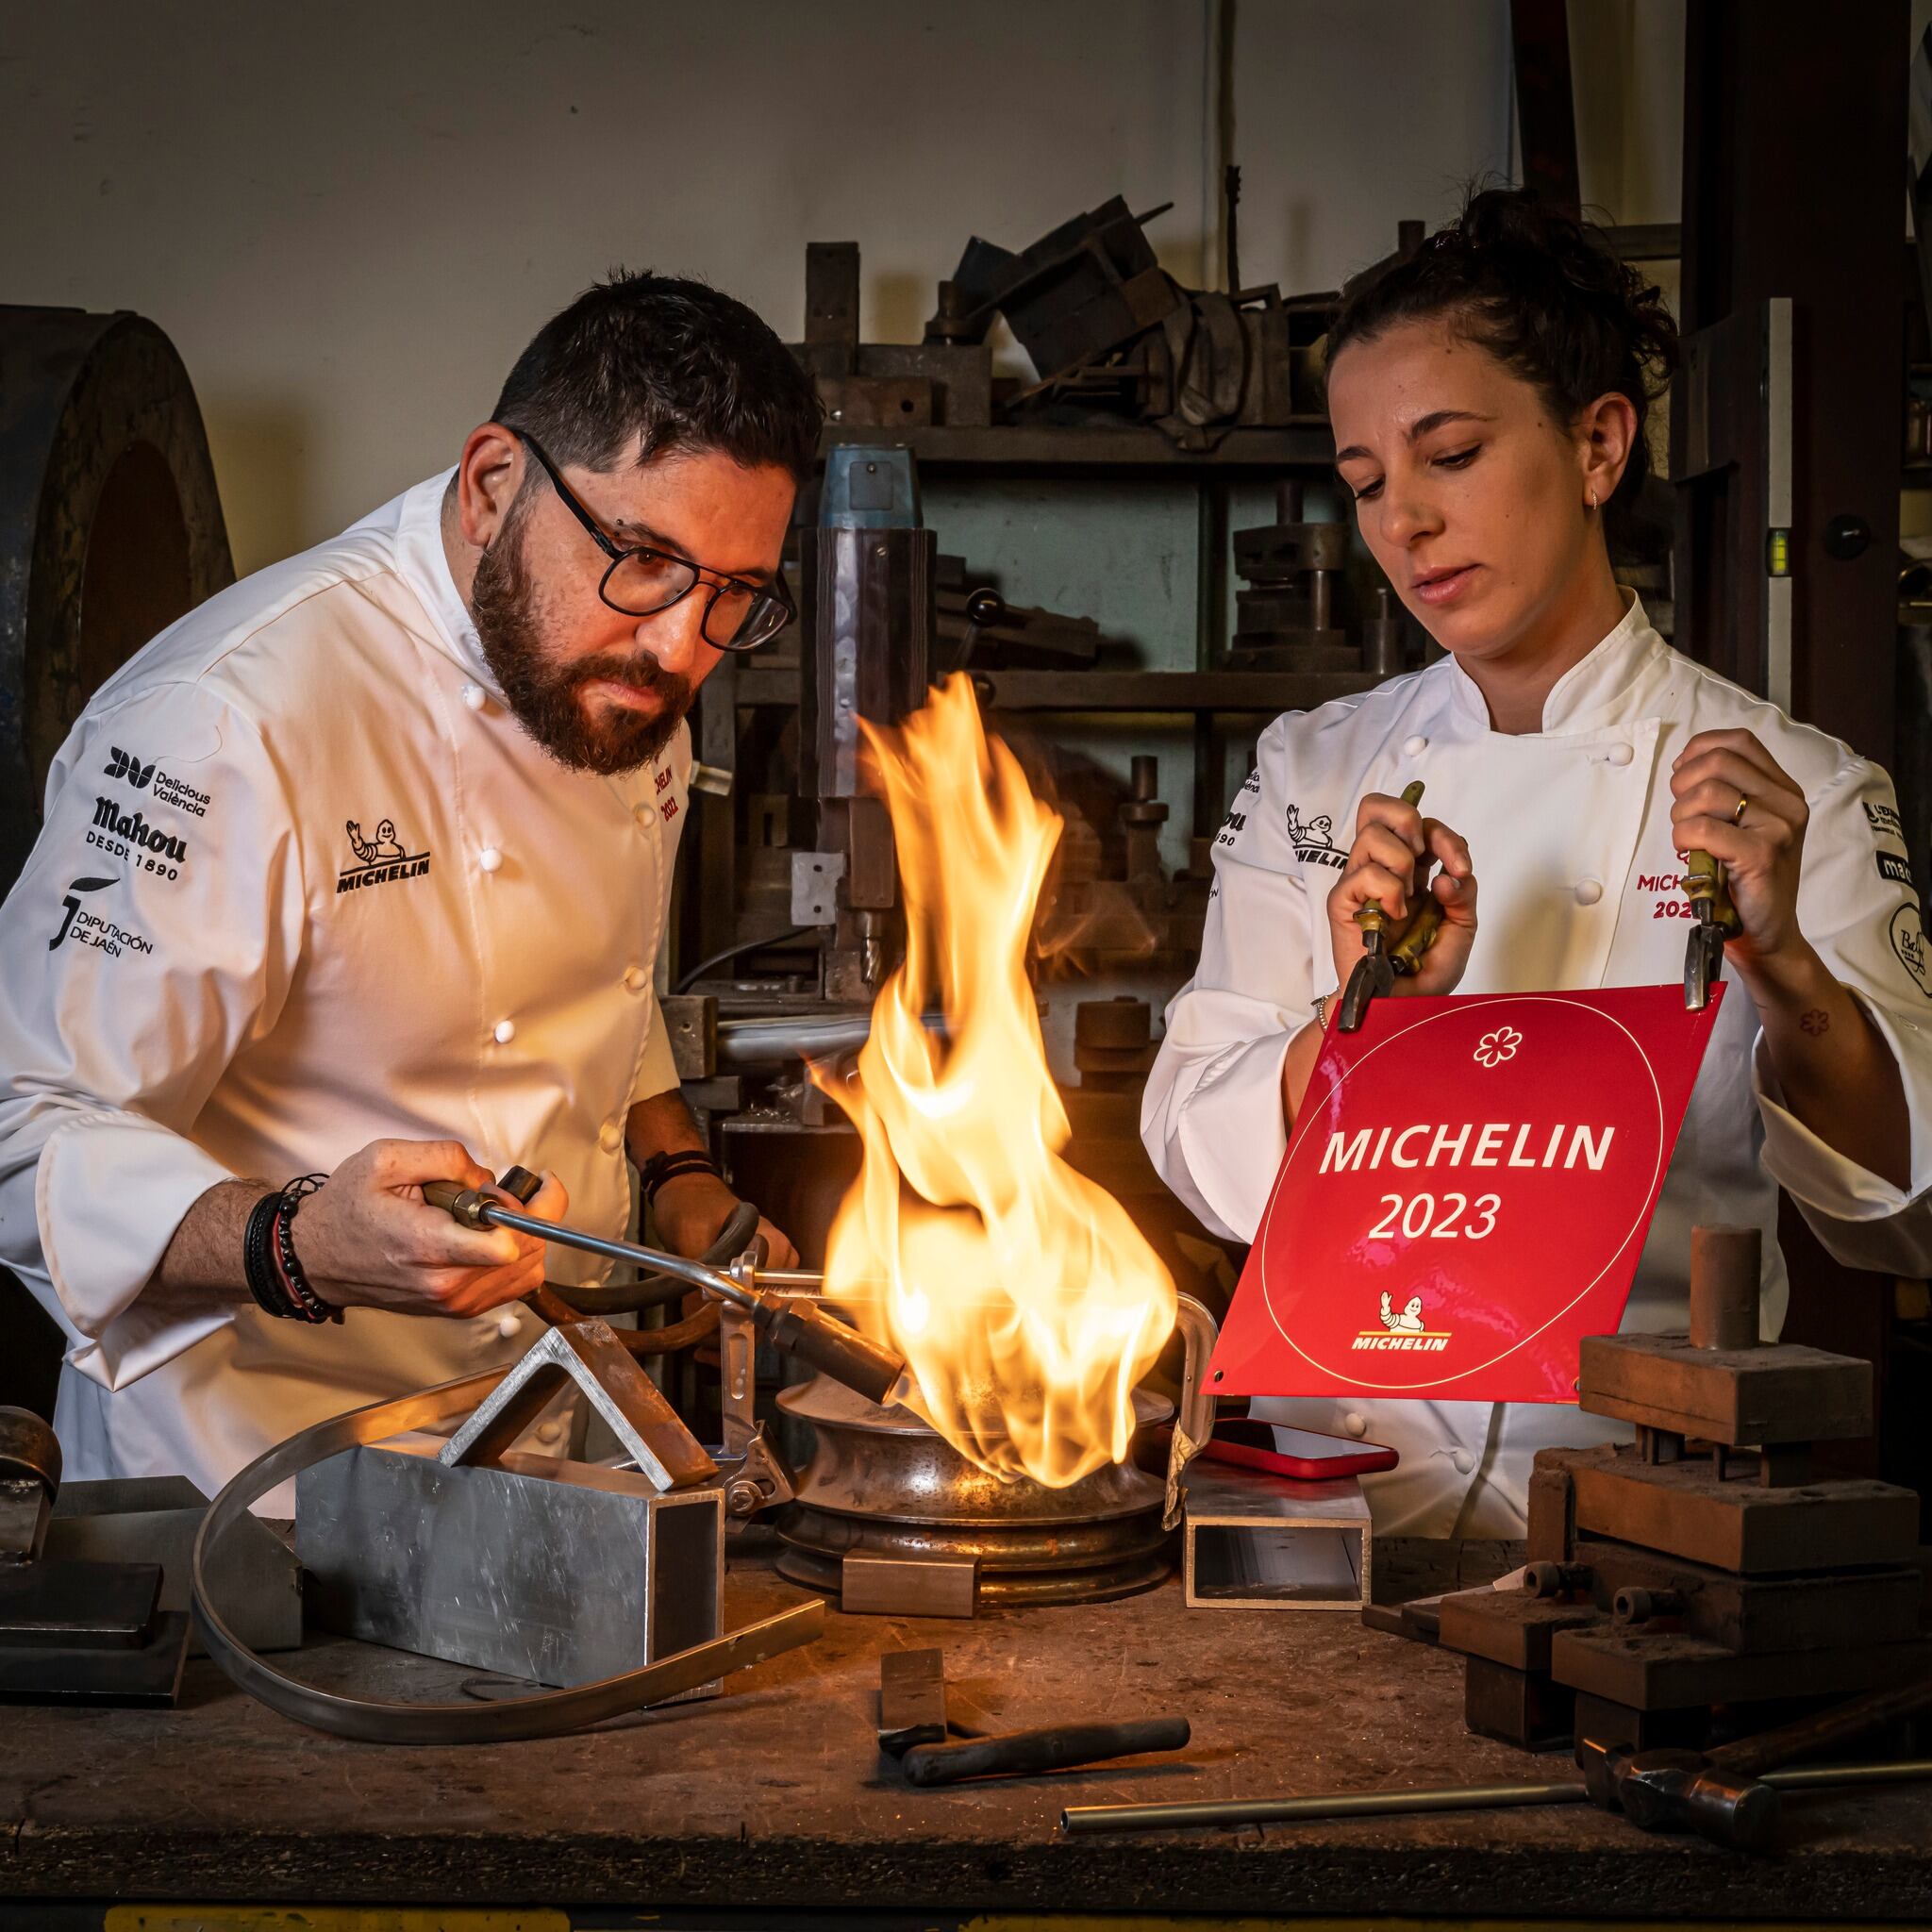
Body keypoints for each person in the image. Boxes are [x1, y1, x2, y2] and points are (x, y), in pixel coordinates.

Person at [1142, 192, 1931, 1539]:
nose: (1406, 524)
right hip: (1334, 1490)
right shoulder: (1317, 774)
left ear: (1599, 443)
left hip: (1649, 1507)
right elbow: (1193, 1139)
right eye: (1368, 484)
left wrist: (1780, 958)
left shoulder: (1790, 787)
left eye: (1448, 454)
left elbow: (1891, 1199)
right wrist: (1370, 1019)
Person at [0, 271, 820, 1501]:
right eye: (645, 560)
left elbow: (607, 975)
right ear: (496, 484)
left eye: (736, 594)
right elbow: (23, 1136)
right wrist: (295, 1244)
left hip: (539, 1453)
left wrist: (680, 1172)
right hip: (252, 1498)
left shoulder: (622, 682)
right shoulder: (222, 725)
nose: (682, 646)